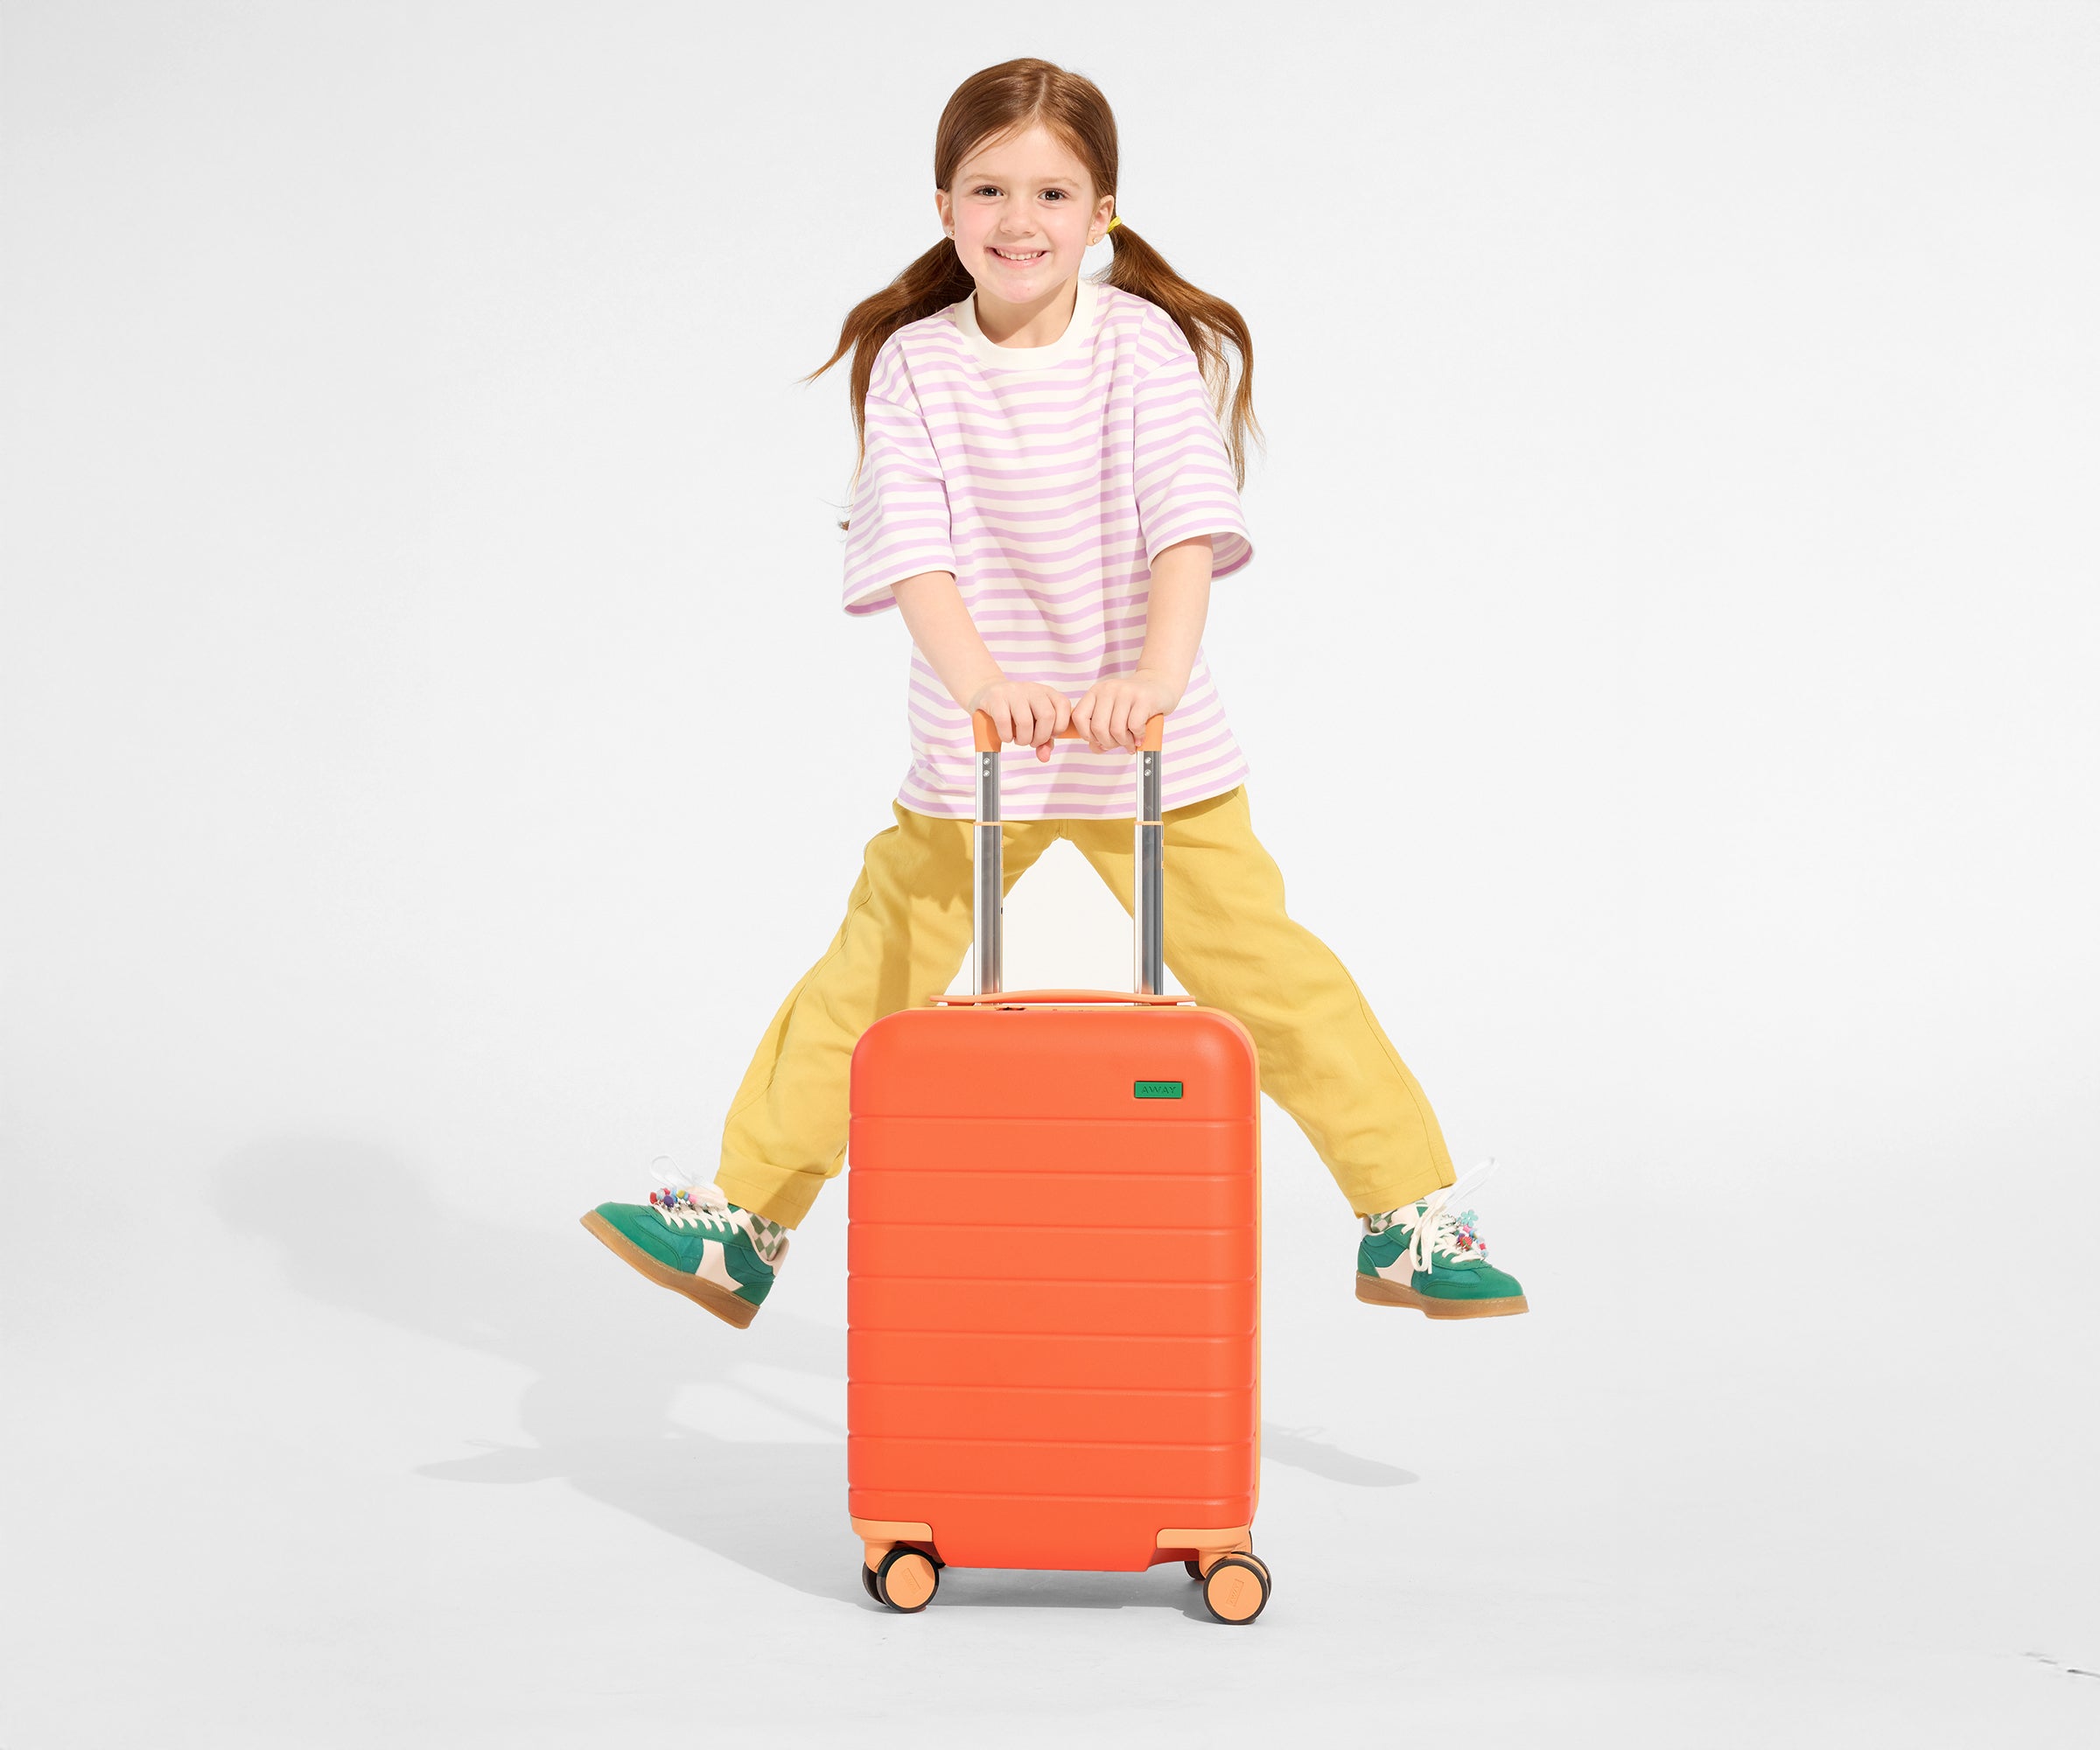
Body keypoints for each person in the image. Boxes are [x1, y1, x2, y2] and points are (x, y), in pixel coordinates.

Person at [581, 56, 1526, 1331]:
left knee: (1280, 981)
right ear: (943, 204)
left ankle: (1406, 1216)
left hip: (1155, 758)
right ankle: (745, 1221)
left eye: (1051, 192)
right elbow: (913, 546)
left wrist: (1153, 680)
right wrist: (983, 683)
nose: (1018, 220)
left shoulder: (1141, 349)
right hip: (976, 760)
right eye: (988, 189)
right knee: (867, 985)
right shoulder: (919, 366)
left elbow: (1182, 529)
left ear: (1103, 212)